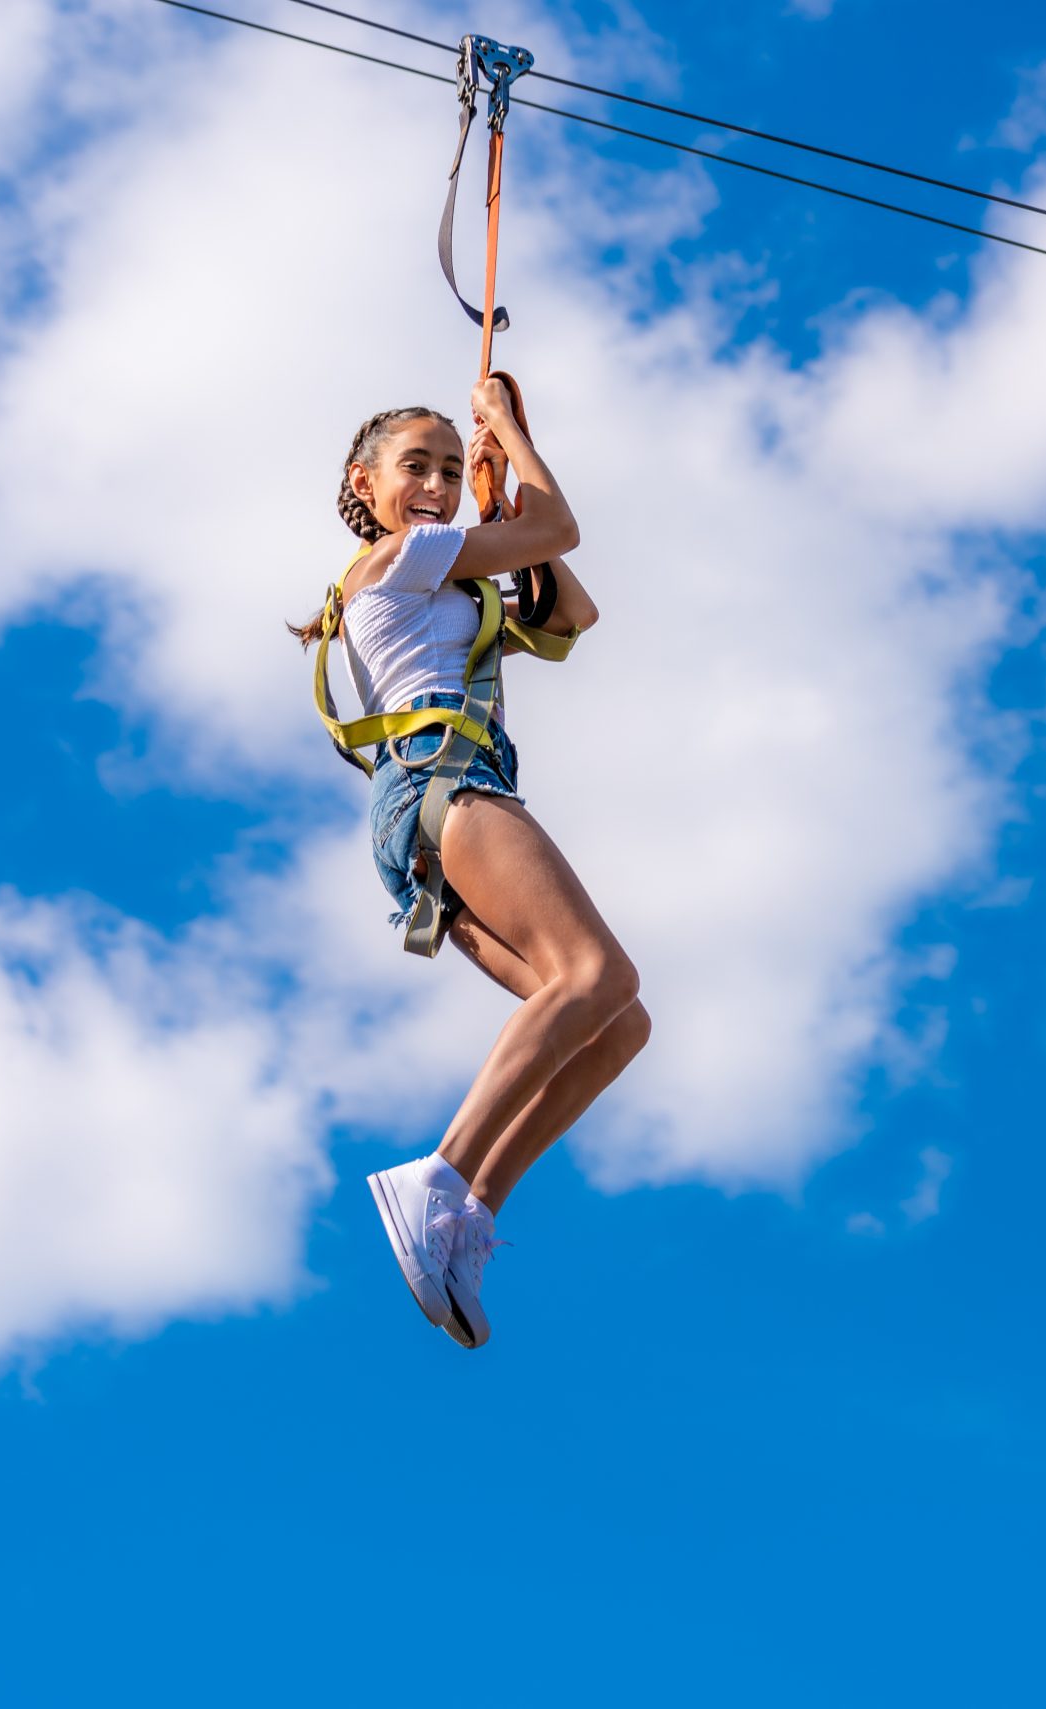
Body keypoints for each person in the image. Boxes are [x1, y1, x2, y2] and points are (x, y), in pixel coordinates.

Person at [293, 376, 649, 1348]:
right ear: (364, 484)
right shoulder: (403, 555)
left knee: (615, 1024)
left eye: (450, 469)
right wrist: (511, 437)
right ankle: (438, 1169)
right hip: (442, 777)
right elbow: (563, 528)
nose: (438, 483)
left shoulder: (448, 577)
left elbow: (569, 612)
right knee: (597, 973)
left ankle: (464, 1212)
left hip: (427, 807)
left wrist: (496, 495)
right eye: (419, 465)